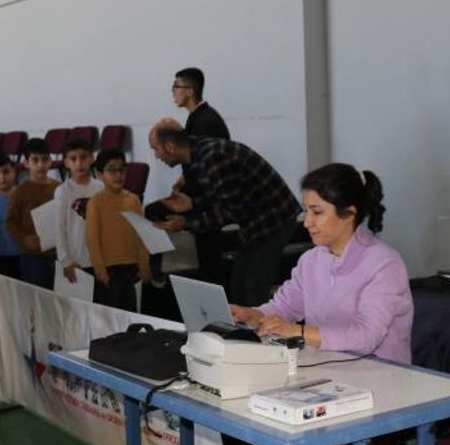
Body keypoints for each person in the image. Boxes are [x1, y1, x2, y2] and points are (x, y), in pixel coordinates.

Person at [221, 162, 411, 445]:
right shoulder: (312, 261)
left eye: (316, 212)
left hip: (381, 389)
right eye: (306, 210)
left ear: (349, 213)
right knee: (238, 422)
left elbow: (366, 336)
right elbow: (283, 307)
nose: (306, 221)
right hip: (327, 377)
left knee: (272, 431)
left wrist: (299, 331)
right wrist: (252, 314)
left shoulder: (384, 264)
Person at [148, 119, 301, 305]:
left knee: (253, 290)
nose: (156, 156)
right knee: (238, 286)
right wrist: (192, 204)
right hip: (256, 219)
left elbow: (231, 211)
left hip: (273, 220)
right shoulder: (199, 154)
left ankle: (259, 323)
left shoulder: (213, 157)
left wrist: (185, 223)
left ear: (170, 146)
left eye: (156, 149)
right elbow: (226, 194)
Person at [172, 67, 231, 282]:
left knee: (210, 261)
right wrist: (183, 179)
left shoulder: (204, 121)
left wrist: (190, 196)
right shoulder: (199, 117)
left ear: (190, 91)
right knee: (207, 257)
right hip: (205, 195)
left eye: (176, 87)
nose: (173, 92)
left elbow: (207, 163)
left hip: (209, 199)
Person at [86, 150, 150, 311]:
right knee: (112, 314)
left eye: (122, 170)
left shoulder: (133, 200)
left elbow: (142, 235)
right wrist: (100, 269)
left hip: (131, 267)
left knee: (130, 311)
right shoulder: (95, 202)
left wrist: (144, 264)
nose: (118, 175)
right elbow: (92, 239)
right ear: (99, 174)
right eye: (112, 170)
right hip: (109, 269)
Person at [6, 138, 60, 289]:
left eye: (45, 159)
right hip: (32, 257)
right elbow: (10, 221)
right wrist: (23, 238)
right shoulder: (20, 191)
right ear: (26, 163)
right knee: (36, 298)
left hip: (57, 255)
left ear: (50, 161)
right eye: (35, 160)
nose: (40, 165)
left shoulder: (60, 188)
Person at [54, 139, 103, 284]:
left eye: (83, 157)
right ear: (66, 162)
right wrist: (65, 261)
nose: (79, 163)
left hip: (99, 259)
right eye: (73, 159)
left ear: (92, 158)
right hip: (75, 260)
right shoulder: (62, 192)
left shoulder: (101, 188)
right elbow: (59, 228)